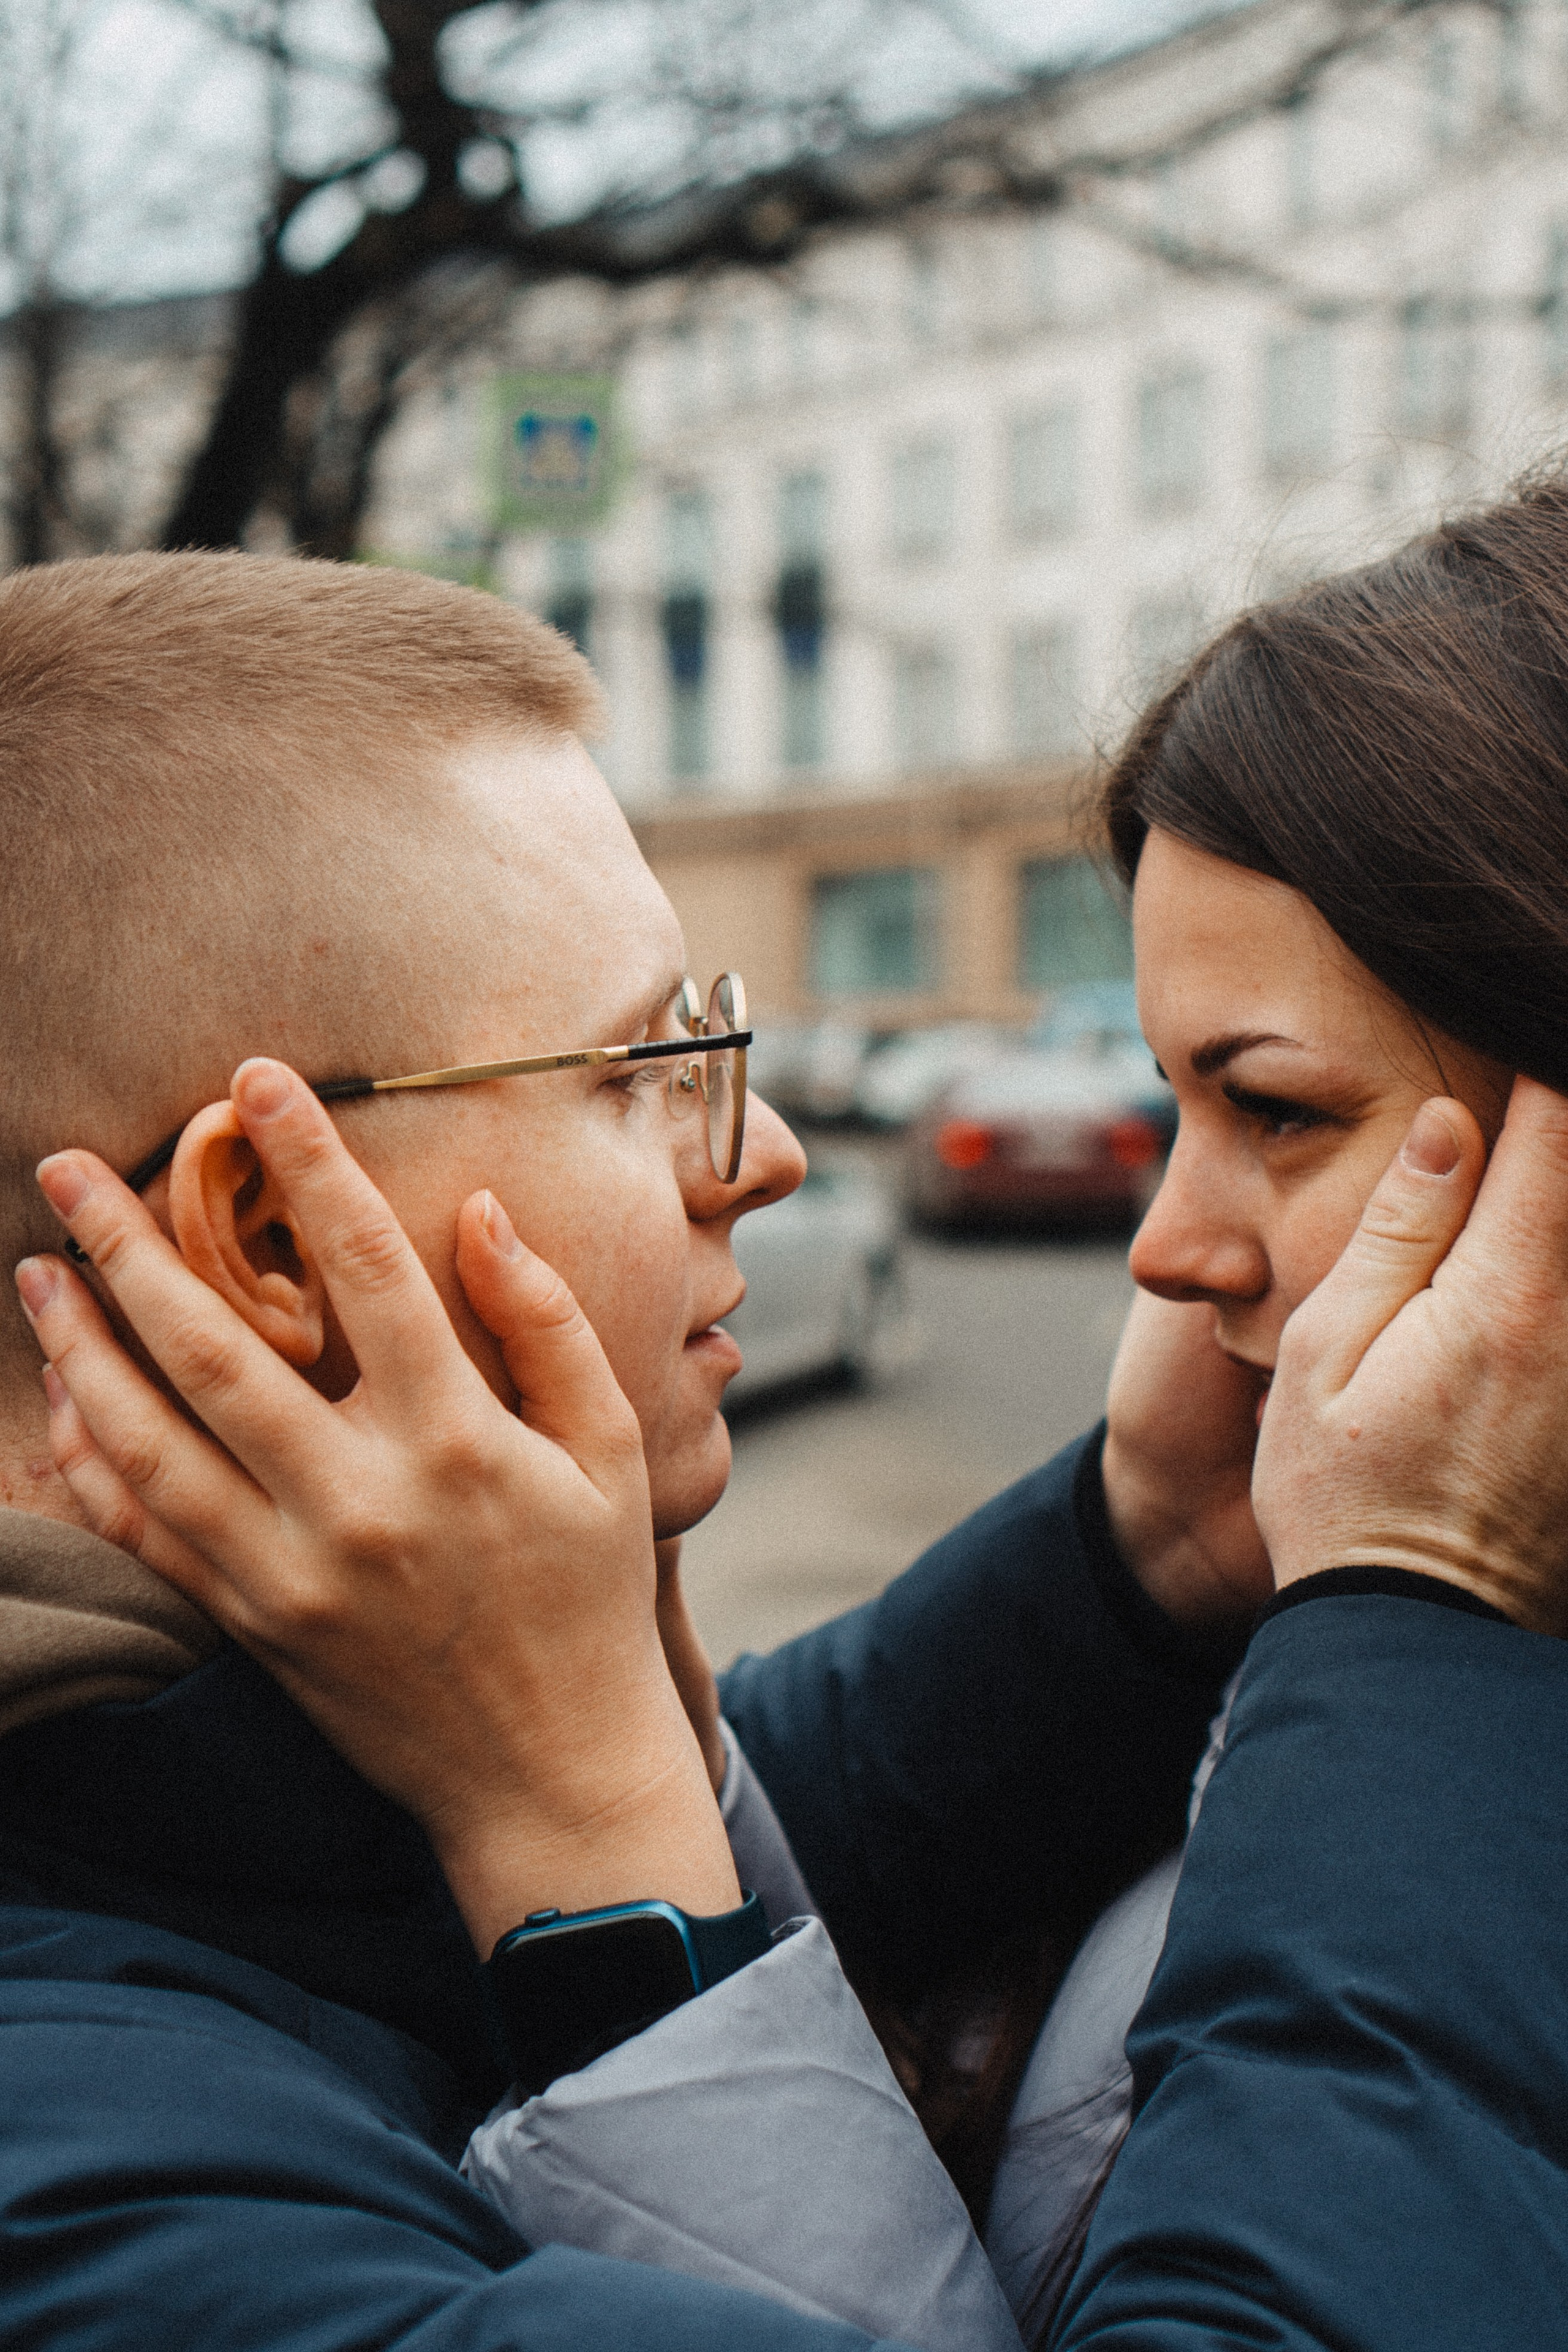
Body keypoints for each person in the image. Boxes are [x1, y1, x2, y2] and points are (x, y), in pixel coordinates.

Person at [12, 521, 1568, 2350]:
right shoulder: (95, 2189)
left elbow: (748, 1818)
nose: (760, 1154)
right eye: (637, 1071)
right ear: (273, 1236)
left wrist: (1140, 1544)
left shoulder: (275, 1767)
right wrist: (1424, 1615)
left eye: (1279, 1107)